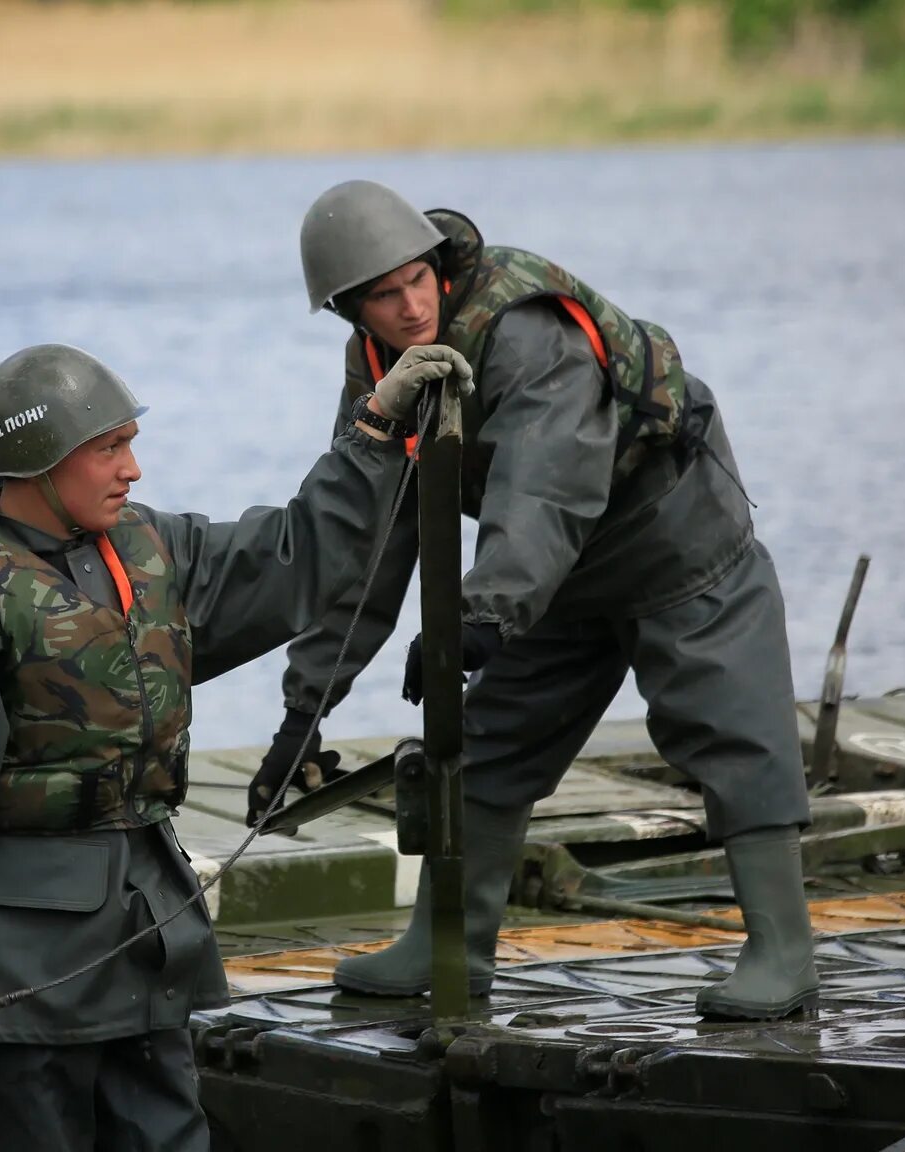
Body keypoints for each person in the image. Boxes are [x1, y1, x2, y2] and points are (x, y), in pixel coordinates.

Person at [0, 340, 470, 1151]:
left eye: (128, 444)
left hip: (144, 946)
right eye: (109, 448)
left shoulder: (148, 549)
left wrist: (376, 428)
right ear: (42, 461)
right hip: (18, 972)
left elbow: (295, 557)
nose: (132, 469)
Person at [247, 180, 818, 1021]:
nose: (409, 308)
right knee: (489, 744)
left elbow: (544, 488)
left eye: (417, 281)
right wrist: (305, 712)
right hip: (556, 578)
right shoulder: (381, 371)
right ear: (348, 311)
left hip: (674, 540)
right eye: (382, 296)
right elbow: (365, 540)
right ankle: (448, 946)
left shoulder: (523, 330)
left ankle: (783, 953)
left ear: (436, 266)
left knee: (733, 734)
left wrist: (481, 615)